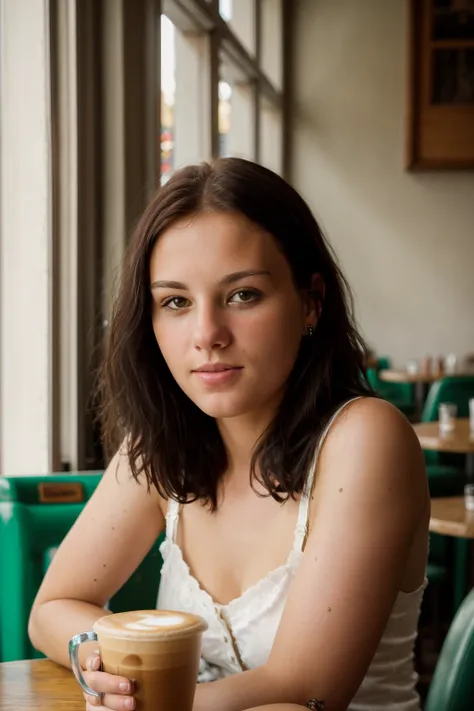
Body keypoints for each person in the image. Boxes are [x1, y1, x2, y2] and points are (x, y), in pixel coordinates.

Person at [29, 158, 429, 711]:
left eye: (242, 295)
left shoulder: (365, 438)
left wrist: (156, 698)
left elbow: (305, 691)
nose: (207, 334)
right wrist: (103, 665)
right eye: (175, 302)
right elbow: (55, 606)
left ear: (311, 300)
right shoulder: (160, 445)